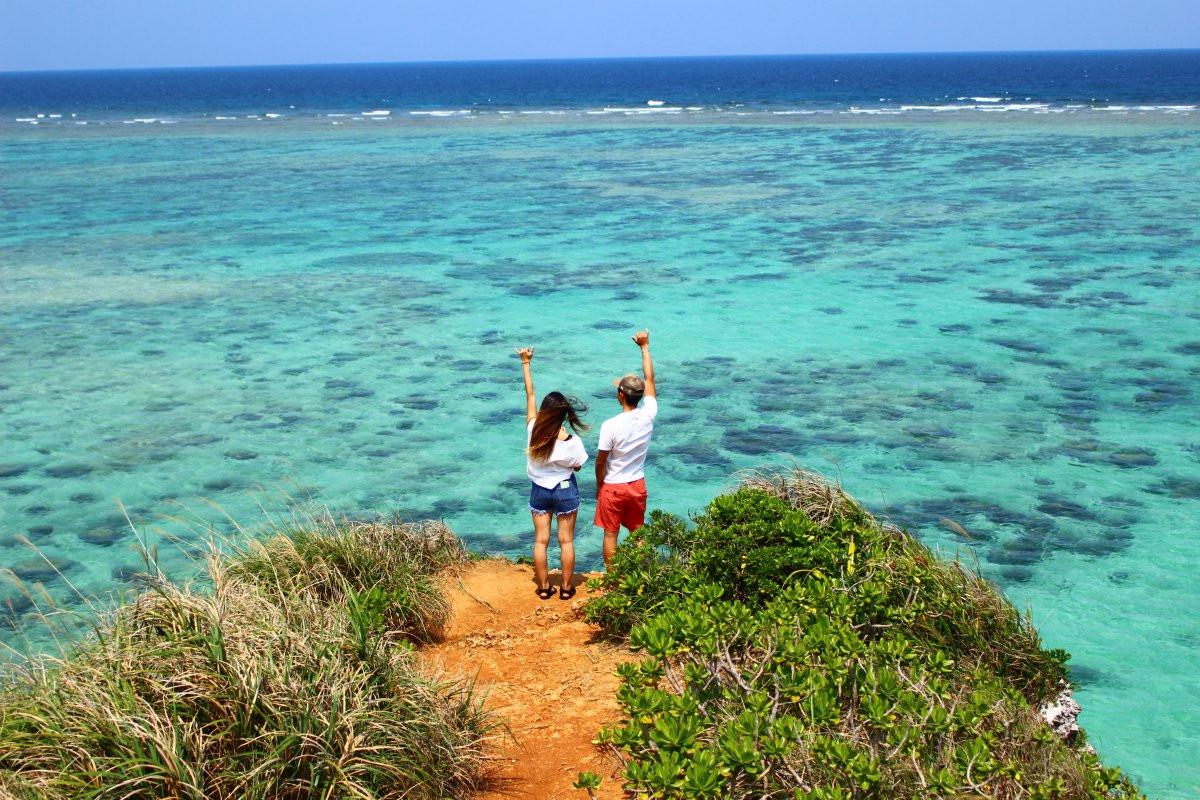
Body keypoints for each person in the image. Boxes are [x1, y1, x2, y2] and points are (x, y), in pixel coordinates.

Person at [516, 346, 590, 600]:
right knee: (566, 541)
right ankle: (567, 589)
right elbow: (578, 466)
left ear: (544, 412)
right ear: (564, 415)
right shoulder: (572, 441)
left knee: (541, 541)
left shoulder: (533, 429)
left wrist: (526, 362)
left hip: (539, 490)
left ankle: (544, 587)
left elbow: (530, 393)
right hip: (565, 490)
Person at [594, 329, 657, 568]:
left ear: (620, 395)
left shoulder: (610, 425)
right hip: (637, 483)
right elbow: (650, 379)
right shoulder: (649, 414)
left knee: (611, 534)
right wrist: (645, 347)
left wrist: (600, 483)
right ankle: (641, 576)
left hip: (614, 485)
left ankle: (613, 579)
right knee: (638, 533)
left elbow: (601, 461)